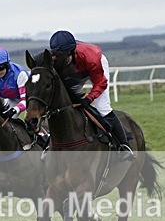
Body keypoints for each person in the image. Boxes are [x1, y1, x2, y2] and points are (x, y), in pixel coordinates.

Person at [48, 30, 135, 161]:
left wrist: (89, 99)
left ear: (71, 52)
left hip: (95, 67)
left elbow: (101, 83)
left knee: (103, 107)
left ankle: (124, 146)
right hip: (75, 71)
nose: (59, 60)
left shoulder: (91, 57)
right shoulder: (55, 60)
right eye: (56, 56)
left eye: (63, 57)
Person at [0, 47, 28, 119]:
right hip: (12, 99)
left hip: (30, 98)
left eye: (0, 67)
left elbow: (26, 100)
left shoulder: (20, 74)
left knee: (31, 122)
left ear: (7, 64)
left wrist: (15, 110)